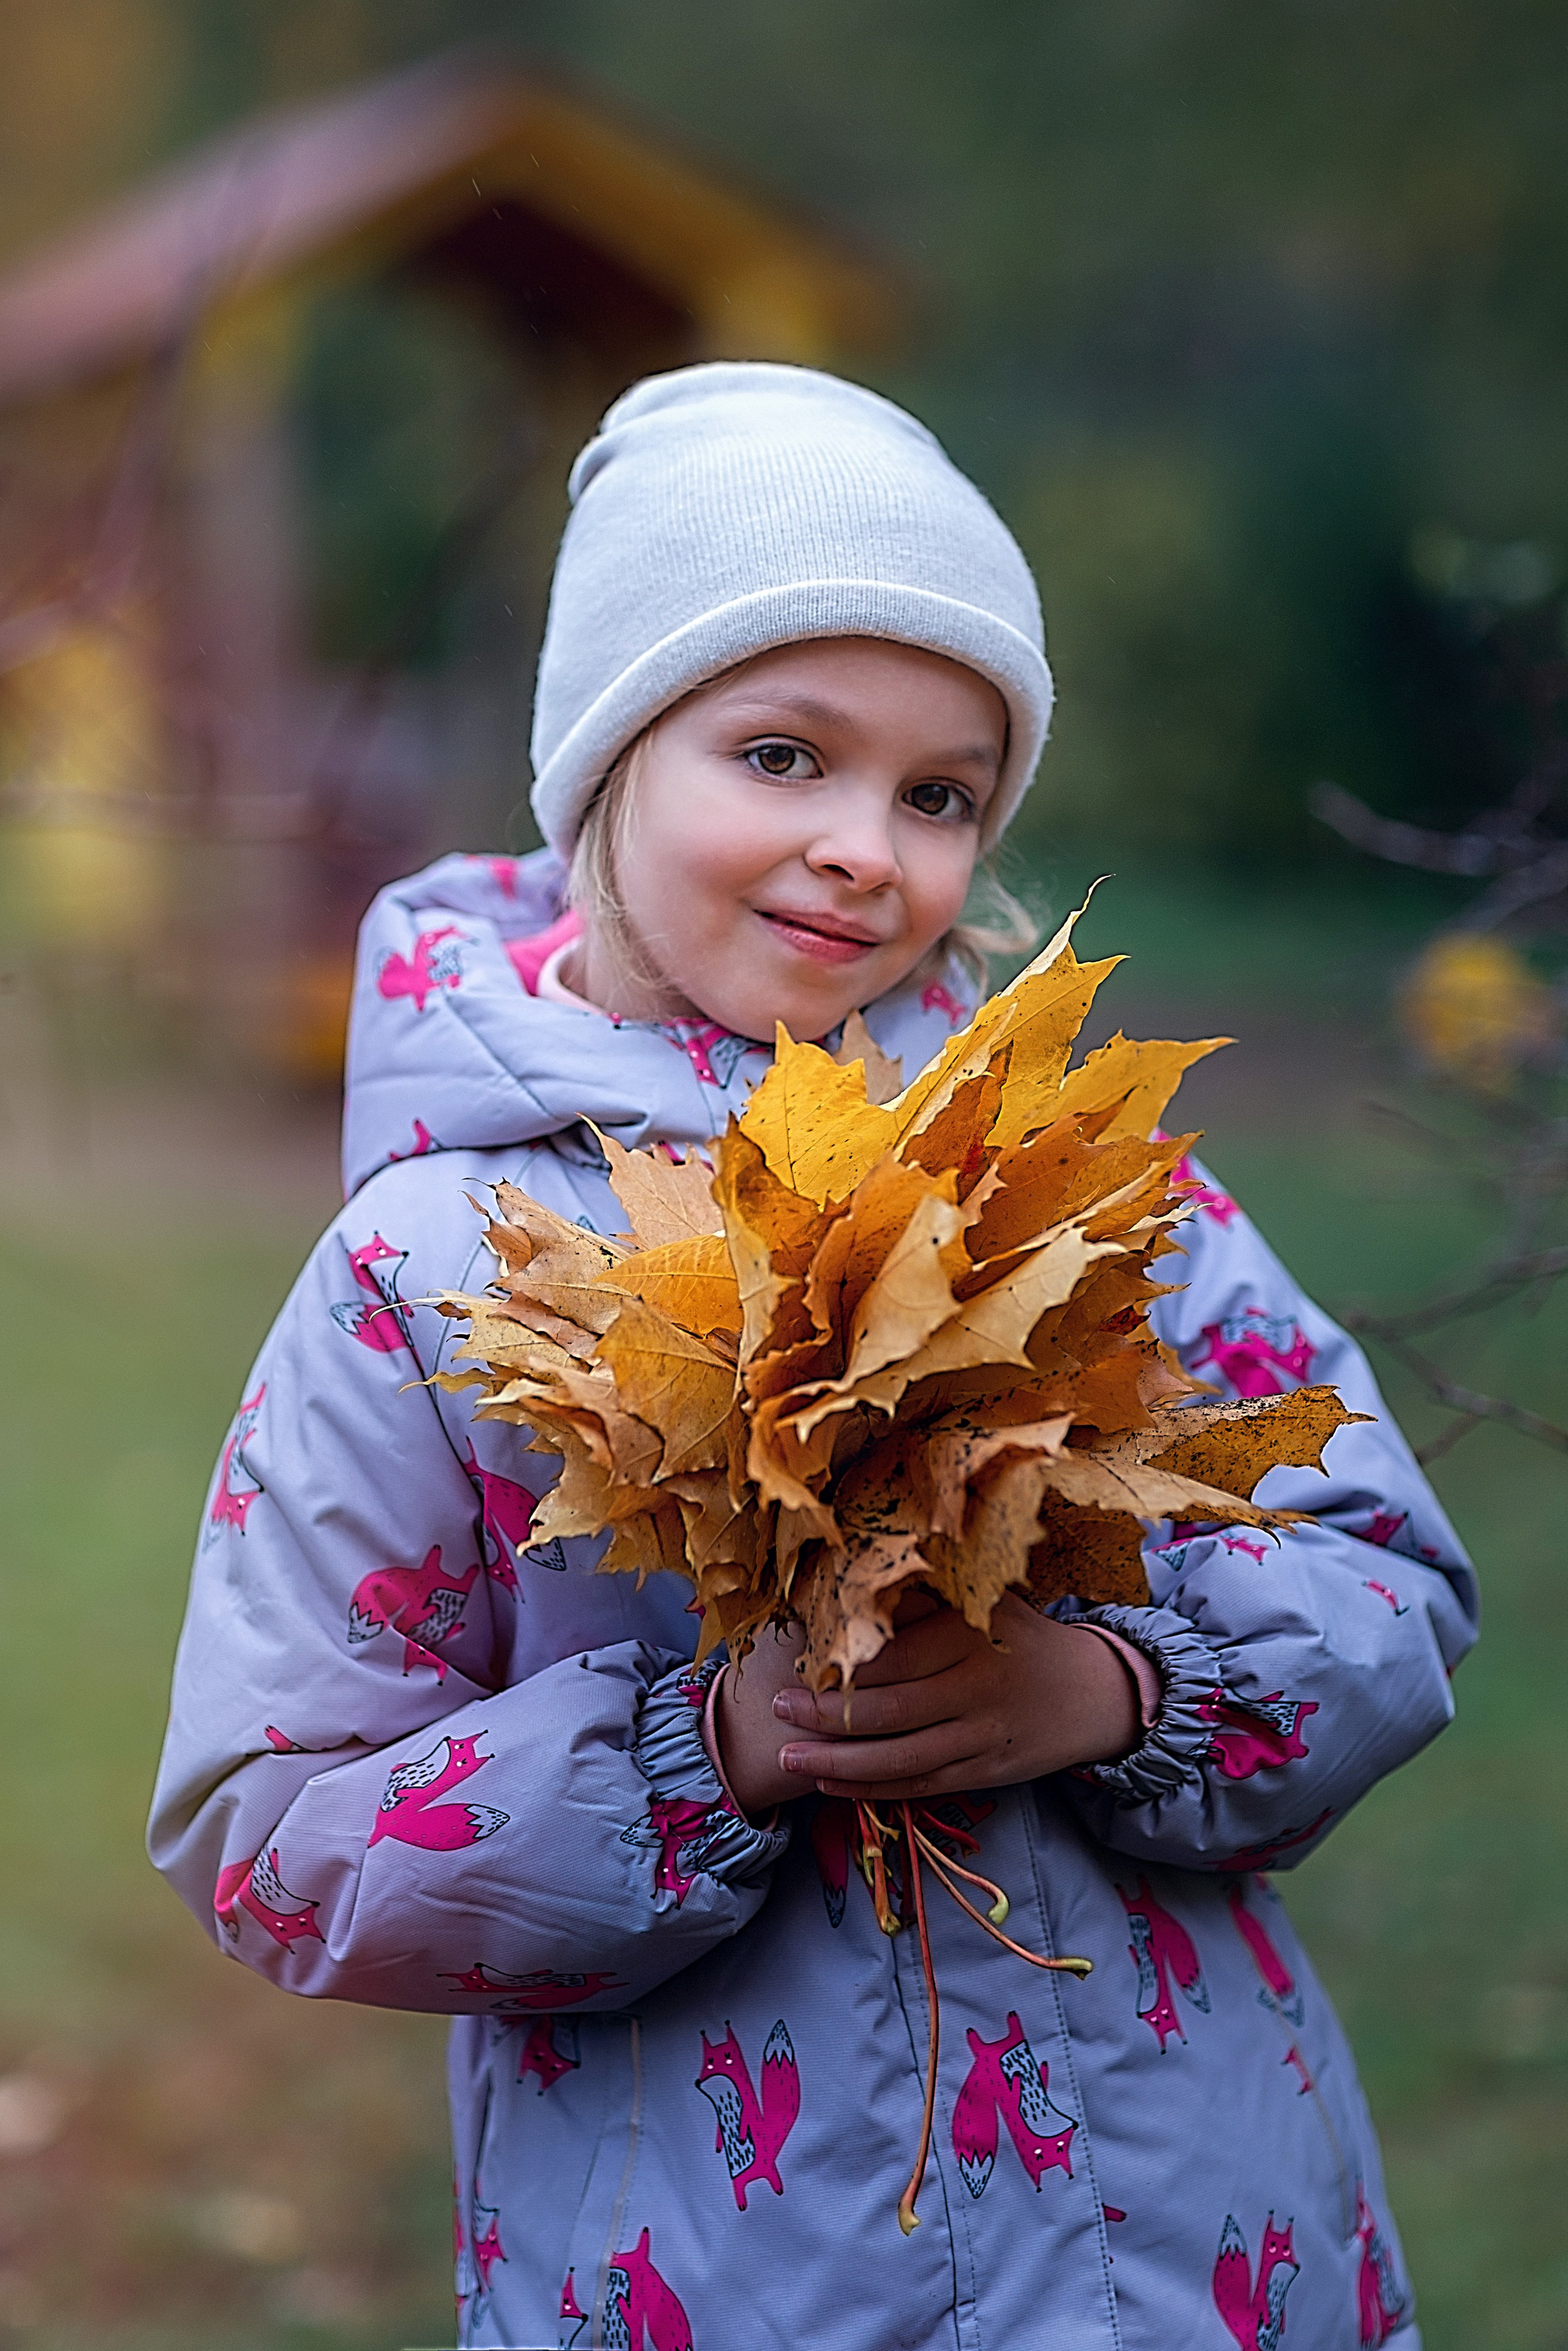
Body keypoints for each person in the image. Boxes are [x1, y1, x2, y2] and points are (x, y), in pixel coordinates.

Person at [151, 363, 1476, 2351]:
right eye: (783, 755)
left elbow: (1388, 1574)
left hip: (1197, 2246)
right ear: (609, 763)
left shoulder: (1083, 1194)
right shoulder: (434, 1266)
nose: (867, 845)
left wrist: (1117, 1686)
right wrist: (707, 1754)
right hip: (745, 2273)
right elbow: (273, 1829)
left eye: (940, 792)